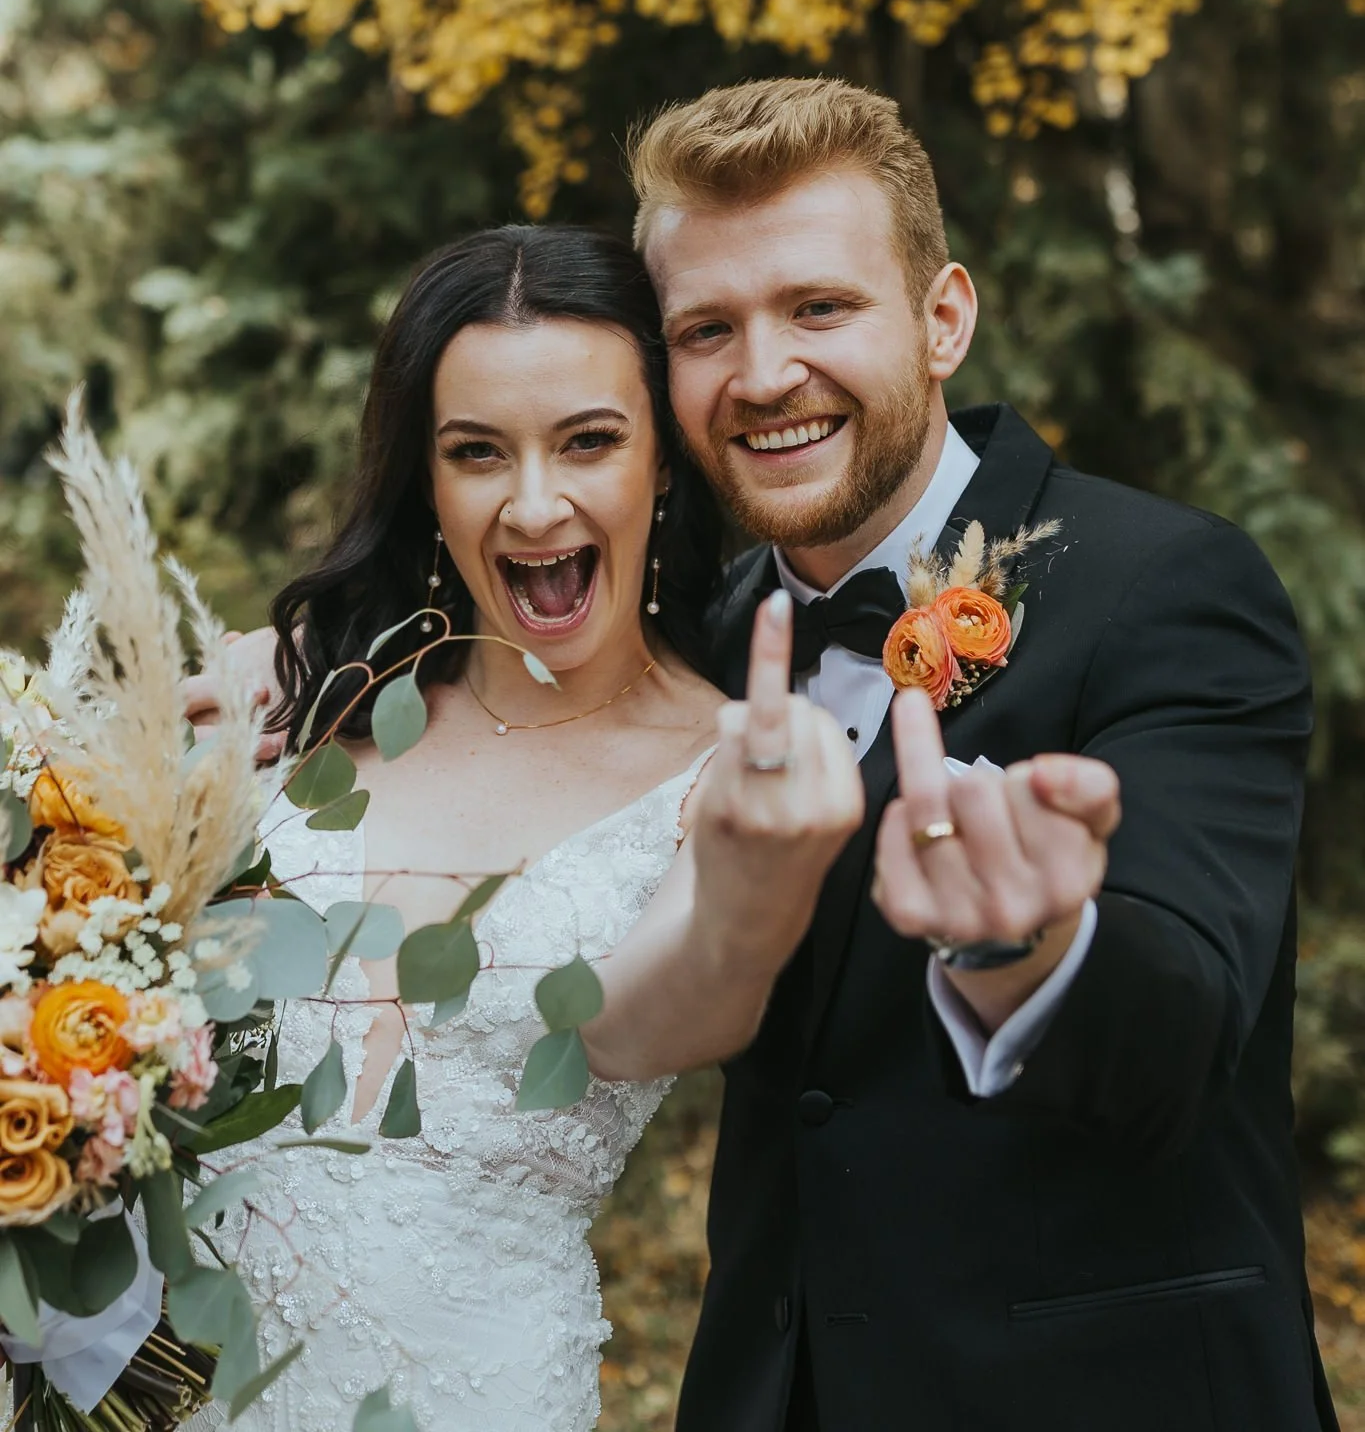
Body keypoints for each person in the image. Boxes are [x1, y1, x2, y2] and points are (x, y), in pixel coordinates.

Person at [193, 73, 1328, 1432]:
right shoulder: (698, 646)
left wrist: (1035, 947)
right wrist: (315, 654)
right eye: (706, 329)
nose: (765, 372)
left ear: (942, 316)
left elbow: (1186, 1022)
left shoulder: (1163, 588)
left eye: (820, 309)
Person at [186, 223, 869, 1432]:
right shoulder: (311, 702)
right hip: (165, 1368)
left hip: (471, 1388)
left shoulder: (724, 767)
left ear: (662, 461)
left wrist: (752, 898)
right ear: (427, 479)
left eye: (590, 440)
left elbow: (668, 1008)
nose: (534, 502)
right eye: (476, 452)